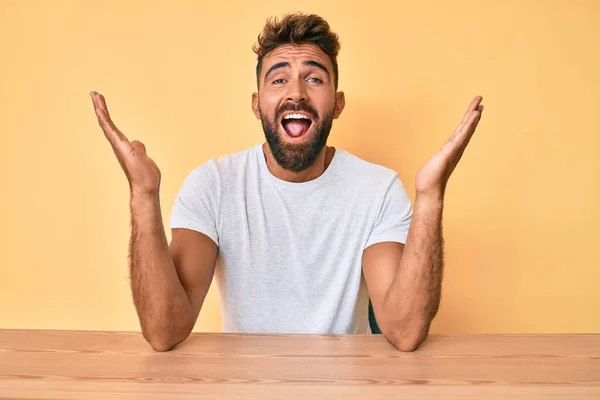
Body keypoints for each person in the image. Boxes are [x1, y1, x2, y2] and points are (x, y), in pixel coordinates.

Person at [89, 13, 484, 352]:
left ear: (338, 102)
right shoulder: (213, 186)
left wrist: (430, 196)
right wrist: (143, 195)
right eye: (278, 80)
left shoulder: (377, 190)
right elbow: (164, 332)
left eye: (314, 78)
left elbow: (404, 330)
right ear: (257, 103)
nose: (296, 93)